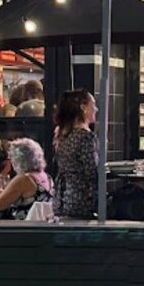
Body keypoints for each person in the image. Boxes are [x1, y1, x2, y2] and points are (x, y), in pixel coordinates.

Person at [52, 89, 98, 219]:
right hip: (81, 199)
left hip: (62, 197)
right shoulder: (85, 137)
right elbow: (91, 172)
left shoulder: (61, 135)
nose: (96, 109)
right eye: (92, 105)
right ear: (83, 108)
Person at [0, 138, 53, 219]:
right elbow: (23, 196)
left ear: (17, 159)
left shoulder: (24, 179)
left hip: (21, 228)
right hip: (40, 227)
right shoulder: (45, 176)